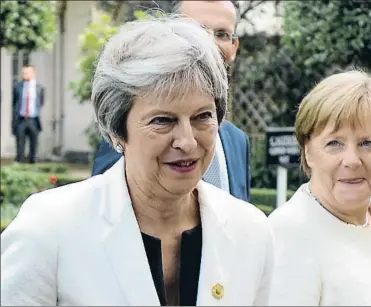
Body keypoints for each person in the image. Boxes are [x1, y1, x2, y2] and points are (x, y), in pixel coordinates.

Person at [1, 16, 274, 306]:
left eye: (202, 117)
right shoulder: (49, 228)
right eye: (162, 120)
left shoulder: (251, 232)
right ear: (118, 130)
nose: (187, 141)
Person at [268, 70, 371, 306]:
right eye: (334, 143)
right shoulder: (288, 232)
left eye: (367, 143)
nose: (352, 160)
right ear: (308, 151)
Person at [91, 0, 251, 202]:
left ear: (234, 46)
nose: (208, 43)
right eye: (163, 120)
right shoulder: (130, 125)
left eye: (221, 34)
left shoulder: (238, 141)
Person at [11, 64, 45, 163]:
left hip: (34, 119)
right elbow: (14, 103)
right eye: (23, 72)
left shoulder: (39, 87)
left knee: (34, 145)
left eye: (27, 72)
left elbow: (41, 102)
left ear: (33, 73)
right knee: (20, 144)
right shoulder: (18, 86)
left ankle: (32, 163)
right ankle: (19, 162)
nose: (24, 74)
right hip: (21, 119)